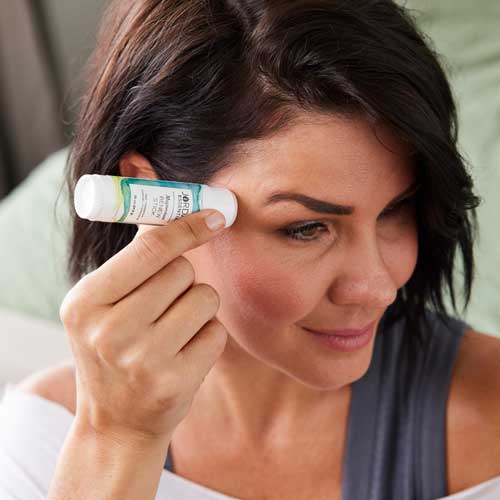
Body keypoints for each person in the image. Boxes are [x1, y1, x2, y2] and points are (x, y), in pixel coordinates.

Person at [1, 0, 500, 499]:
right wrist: (117, 440)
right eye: (306, 228)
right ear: (152, 196)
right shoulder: (43, 444)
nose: (376, 288)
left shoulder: (485, 423)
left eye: (396, 209)